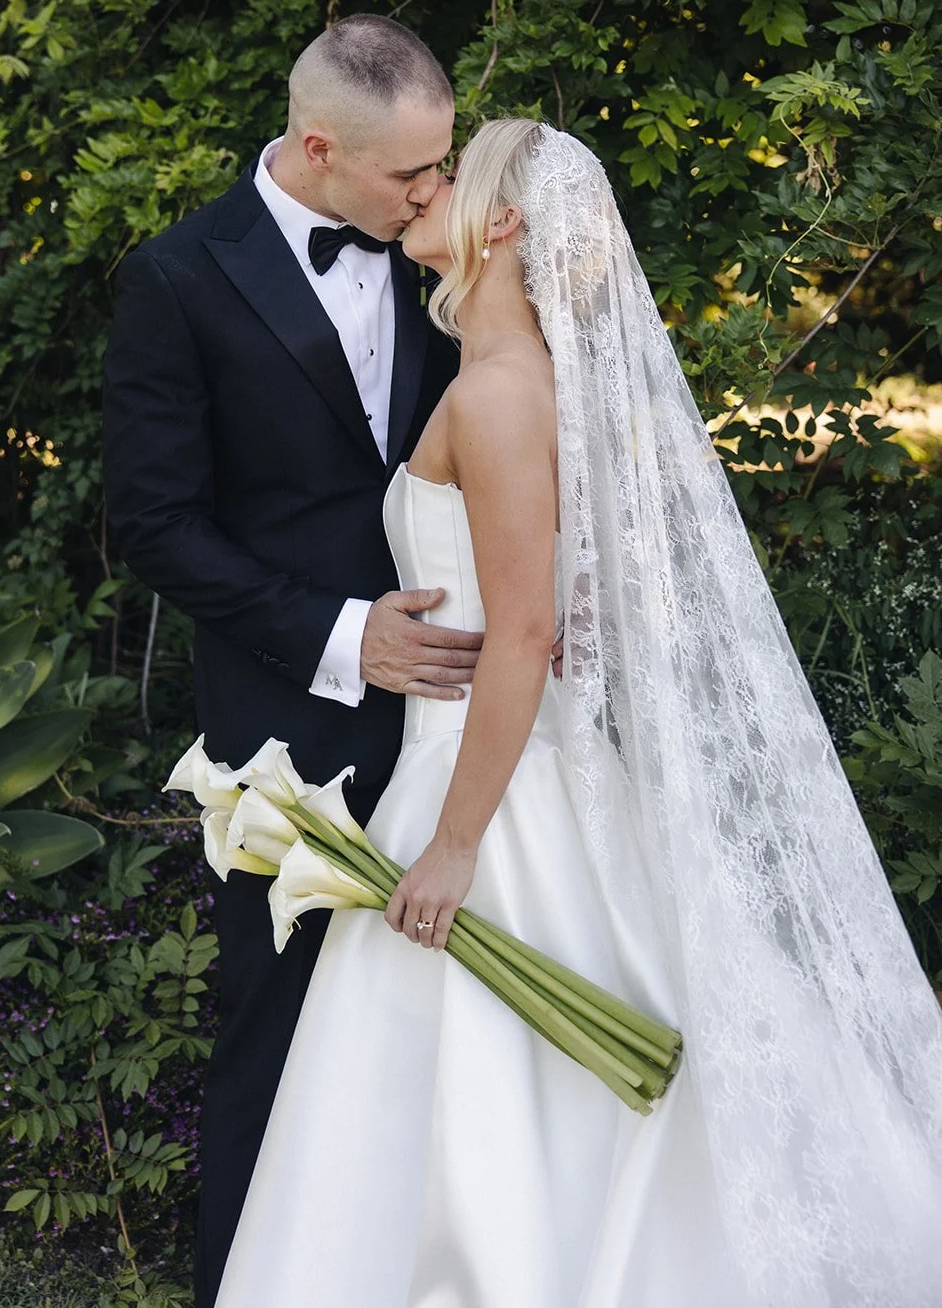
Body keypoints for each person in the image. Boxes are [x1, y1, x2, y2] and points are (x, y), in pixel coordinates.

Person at [214, 120, 942, 1307]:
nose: (422, 191)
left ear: (499, 224)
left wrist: (452, 845)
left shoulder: (500, 395)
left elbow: (527, 636)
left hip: (488, 803)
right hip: (496, 763)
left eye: (448, 177)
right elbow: (562, 613)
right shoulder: (511, 383)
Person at [101, 15, 474, 1308]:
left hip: (456, 724)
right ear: (318, 149)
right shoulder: (177, 280)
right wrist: (338, 637)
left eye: (443, 168)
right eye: (408, 178)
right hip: (285, 735)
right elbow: (152, 526)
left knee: (438, 1045)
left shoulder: (442, 256)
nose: (435, 198)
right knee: (276, 1037)